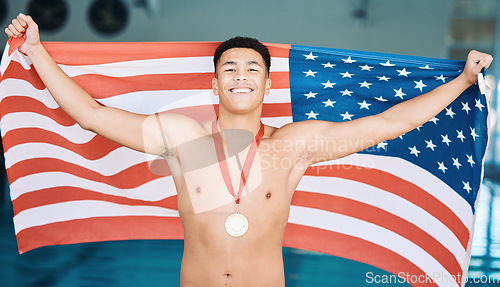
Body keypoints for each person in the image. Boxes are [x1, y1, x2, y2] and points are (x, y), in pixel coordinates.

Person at [5, 13, 493, 287]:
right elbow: (91, 115)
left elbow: (390, 121)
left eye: (253, 69)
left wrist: (465, 80)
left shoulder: (291, 146)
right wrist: (38, 52)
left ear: (265, 82)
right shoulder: (185, 140)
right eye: (231, 69)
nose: (241, 76)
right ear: (215, 84)